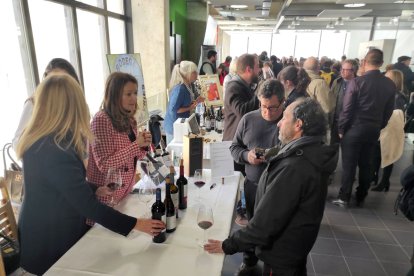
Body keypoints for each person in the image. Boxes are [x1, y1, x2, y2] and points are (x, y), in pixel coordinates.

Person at [16, 74, 165, 275]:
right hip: (49, 240)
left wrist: (95, 187)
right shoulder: (54, 148)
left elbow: (62, 183)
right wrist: (137, 224)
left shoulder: (45, 139)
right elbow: (87, 206)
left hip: (47, 230)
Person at [205, 98, 338, 276]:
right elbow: (279, 151)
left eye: (284, 118)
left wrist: (227, 245)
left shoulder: (294, 167)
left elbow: (265, 223)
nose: (279, 124)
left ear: (298, 124)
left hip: (282, 256)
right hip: (294, 250)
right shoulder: (311, 149)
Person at [229, 79, 284, 275]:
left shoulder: (289, 123)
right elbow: (234, 147)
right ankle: (249, 261)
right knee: (252, 225)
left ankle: (272, 265)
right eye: (263, 106)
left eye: (273, 108)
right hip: (252, 184)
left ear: (283, 102)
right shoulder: (248, 119)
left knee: (276, 230)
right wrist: (246, 156)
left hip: (279, 188)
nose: (267, 112)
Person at [332, 49, 395, 207]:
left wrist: (341, 129)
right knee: (366, 164)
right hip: (373, 129)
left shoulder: (357, 82)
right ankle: (361, 194)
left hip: (353, 129)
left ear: (365, 62)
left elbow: (347, 109)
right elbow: (388, 111)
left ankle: (344, 197)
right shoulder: (389, 84)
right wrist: (379, 125)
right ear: (381, 63)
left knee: (349, 165)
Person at [87, 72, 152, 207]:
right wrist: (136, 145)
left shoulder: (129, 119)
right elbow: (105, 165)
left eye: (135, 93)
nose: (134, 98)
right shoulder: (101, 120)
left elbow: (136, 155)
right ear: (115, 96)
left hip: (124, 194)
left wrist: (144, 144)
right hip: (106, 200)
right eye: (128, 94)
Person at [12, 58, 80, 150]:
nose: (58, 86)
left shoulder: (74, 105)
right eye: (53, 80)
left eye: (64, 80)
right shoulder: (34, 103)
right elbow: (17, 142)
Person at [371, 69, 408, 192]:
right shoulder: (392, 94)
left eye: (387, 77)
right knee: (377, 155)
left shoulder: (397, 96)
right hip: (384, 128)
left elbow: (396, 115)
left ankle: (384, 181)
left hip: (390, 129)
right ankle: (376, 178)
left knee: (387, 155)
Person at [164, 61, 204, 143]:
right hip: (174, 127)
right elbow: (174, 110)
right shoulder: (180, 89)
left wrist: (196, 101)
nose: (197, 74)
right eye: (194, 72)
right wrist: (190, 107)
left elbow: (185, 103)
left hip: (182, 124)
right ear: (187, 73)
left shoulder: (188, 85)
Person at [330, 59, 359, 145]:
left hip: (350, 123)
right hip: (335, 121)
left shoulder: (359, 84)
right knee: (333, 147)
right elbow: (331, 99)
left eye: (345, 69)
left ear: (353, 71)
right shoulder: (337, 82)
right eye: (341, 69)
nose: (342, 71)